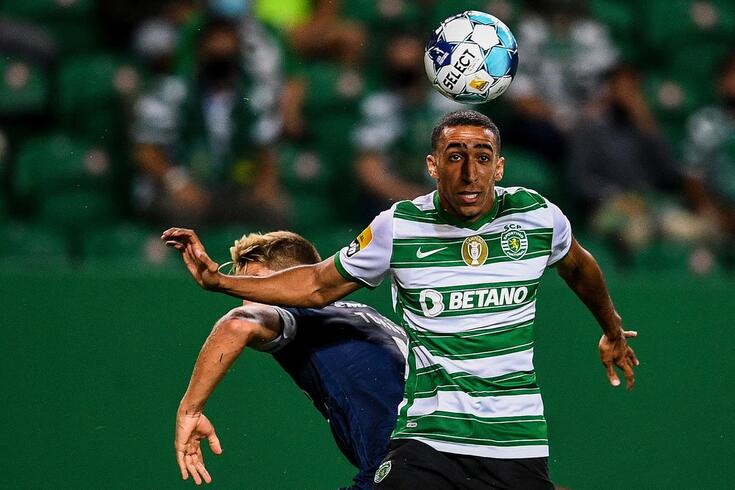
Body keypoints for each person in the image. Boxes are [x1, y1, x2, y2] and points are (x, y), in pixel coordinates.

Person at [163, 110, 639, 488]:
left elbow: (578, 265)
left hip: (514, 443)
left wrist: (612, 329)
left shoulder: (537, 216)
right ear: (432, 166)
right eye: (455, 156)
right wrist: (222, 282)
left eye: (482, 156)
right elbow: (316, 284)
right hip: (425, 444)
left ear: (500, 165)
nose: (470, 172)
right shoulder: (397, 230)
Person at [171, 230, 407, 488]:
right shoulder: (366, 316)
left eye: (257, 283)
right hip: (443, 455)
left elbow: (237, 325)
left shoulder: (301, 314)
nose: (247, 299)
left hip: (400, 465)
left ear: (296, 277)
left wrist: (189, 411)